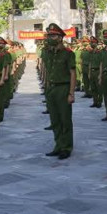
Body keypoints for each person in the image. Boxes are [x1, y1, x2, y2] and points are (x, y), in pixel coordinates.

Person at [42, 23, 76, 159]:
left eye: (54, 35)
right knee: (54, 119)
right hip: (51, 88)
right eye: (49, 35)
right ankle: (58, 145)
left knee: (65, 119)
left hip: (63, 88)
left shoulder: (68, 54)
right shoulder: (48, 53)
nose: (50, 37)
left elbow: (72, 73)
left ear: (61, 37)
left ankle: (66, 147)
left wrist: (71, 93)